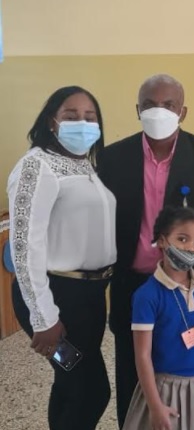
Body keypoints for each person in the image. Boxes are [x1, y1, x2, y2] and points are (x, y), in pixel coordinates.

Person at [97, 73, 194, 427]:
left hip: (189, 286)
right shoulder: (113, 157)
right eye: (150, 105)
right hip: (134, 283)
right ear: (137, 110)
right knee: (132, 370)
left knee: (189, 367)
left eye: (169, 105)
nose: (159, 111)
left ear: (183, 112)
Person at [8, 86, 116, 430]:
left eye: (90, 117)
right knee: (91, 390)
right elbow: (24, 246)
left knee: (70, 384)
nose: (81, 123)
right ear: (51, 122)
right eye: (71, 116)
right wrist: (43, 318)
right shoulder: (36, 165)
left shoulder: (85, 166)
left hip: (89, 296)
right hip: (56, 297)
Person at [123, 207, 194, 430]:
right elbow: (142, 355)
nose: (190, 248)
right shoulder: (147, 295)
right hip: (165, 390)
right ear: (163, 241)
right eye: (182, 239)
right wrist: (155, 406)